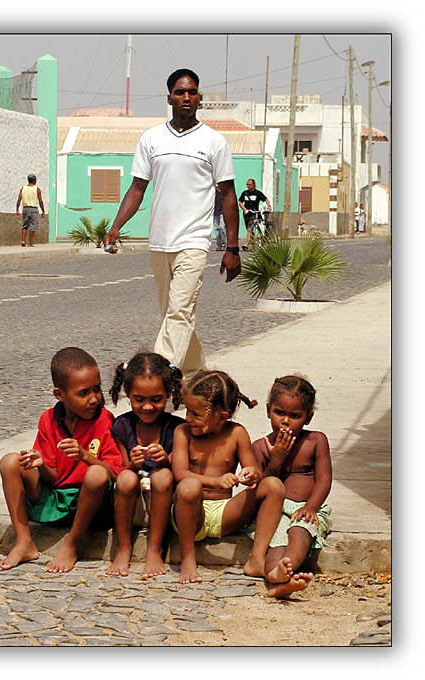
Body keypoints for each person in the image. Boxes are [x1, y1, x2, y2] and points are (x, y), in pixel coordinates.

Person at [103, 68, 241, 374]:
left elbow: (229, 196)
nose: (187, 98)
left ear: (199, 98)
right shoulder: (151, 139)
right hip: (160, 242)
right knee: (172, 313)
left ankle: (156, 377)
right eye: (180, 92)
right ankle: (198, 372)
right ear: (169, 98)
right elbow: (137, 188)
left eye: (192, 92)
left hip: (193, 241)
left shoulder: (214, 141)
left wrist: (233, 247)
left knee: (179, 312)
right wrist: (115, 228)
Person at [0, 347, 123, 573]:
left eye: (97, 389)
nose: (93, 399)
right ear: (59, 394)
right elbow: (54, 479)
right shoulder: (48, 420)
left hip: (91, 504)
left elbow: (114, 474)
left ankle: (72, 544)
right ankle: (24, 541)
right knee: (9, 461)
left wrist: (85, 456)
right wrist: (41, 465)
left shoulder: (104, 420)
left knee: (96, 474)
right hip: (55, 500)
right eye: (83, 393)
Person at [170, 370, 285, 584]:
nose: (188, 418)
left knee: (273, 486)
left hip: (225, 513)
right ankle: (187, 557)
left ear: (222, 417)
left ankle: (256, 559)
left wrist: (251, 474)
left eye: (196, 414)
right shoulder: (182, 432)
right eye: (187, 411)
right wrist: (215, 481)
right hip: (191, 515)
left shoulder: (237, 433)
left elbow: (253, 468)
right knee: (188, 486)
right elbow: (180, 473)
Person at [248, 375, 332, 598]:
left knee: (299, 532)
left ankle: (286, 570)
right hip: (274, 512)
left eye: (295, 416)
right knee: (276, 544)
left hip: (307, 508)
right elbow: (262, 487)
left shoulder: (315, 441)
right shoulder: (260, 447)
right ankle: (276, 575)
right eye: (279, 412)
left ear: (308, 417)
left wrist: (311, 507)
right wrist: (277, 459)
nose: (285, 420)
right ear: (268, 411)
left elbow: (324, 479)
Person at [105, 352, 185, 579]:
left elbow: (180, 469)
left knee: (162, 476)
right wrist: (132, 463)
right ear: (128, 395)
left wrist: (166, 459)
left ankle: (154, 548)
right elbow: (122, 470)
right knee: (126, 478)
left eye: (156, 399)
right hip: (132, 501)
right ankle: (123, 548)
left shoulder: (177, 428)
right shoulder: (122, 426)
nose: (147, 407)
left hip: (162, 499)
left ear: (169, 394)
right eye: (139, 399)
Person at [238, 178, 272, 249]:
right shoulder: (245, 193)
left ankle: (246, 244)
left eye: (250, 184)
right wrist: (244, 209)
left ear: (253, 185)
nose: (248, 186)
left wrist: (269, 206)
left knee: (249, 229)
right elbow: (240, 202)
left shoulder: (257, 193)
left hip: (254, 213)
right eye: (247, 184)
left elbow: (266, 199)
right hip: (247, 214)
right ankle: (253, 243)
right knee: (249, 230)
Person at [16, 173, 45, 247]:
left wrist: (17, 209)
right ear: (34, 180)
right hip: (33, 209)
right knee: (33, 226)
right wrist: (43, 211)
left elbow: (19, 199)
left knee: (25, 225)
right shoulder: (37, 189)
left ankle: (23, 240)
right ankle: (30, 243)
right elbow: (40, 201)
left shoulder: (23, 188)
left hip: (25, 208)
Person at [213, 185, 227, 251]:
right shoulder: (213, 191)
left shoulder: (224, 191)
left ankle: (223, 244)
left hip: (222, 212)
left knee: (222, 227)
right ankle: (219, 245)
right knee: (217, 229)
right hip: (215, 212)